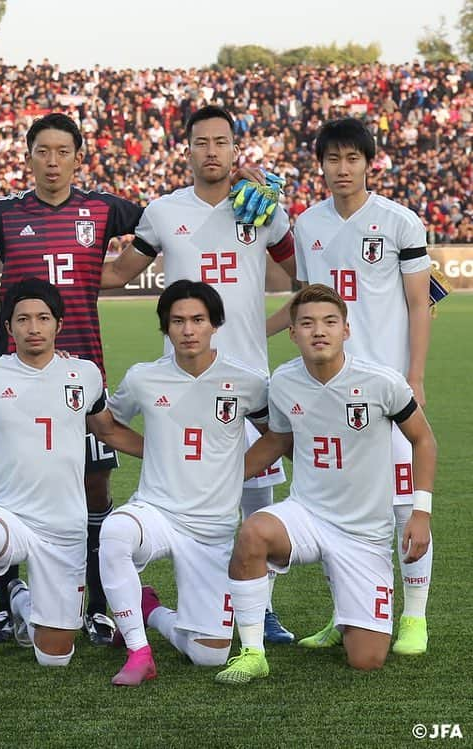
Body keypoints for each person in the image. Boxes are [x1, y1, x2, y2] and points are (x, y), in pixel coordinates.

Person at [100, 105, 299, 643]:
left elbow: (303, 271)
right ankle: (194, 603)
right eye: (201, 142)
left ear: (236, 149)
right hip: (184, 376)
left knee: (257, 489)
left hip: (248, 375)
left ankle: (263, 609)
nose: (211, 151)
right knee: (197, 489)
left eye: (221, 142)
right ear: (186, 150)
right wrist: (49, 264)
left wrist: (281, 213)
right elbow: (119, 272)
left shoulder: (258, 205)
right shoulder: (164, 211)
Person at [0, 279, 144, 693]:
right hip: (7, 512)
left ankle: (17, 598)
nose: (34, 327)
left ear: (58, 325)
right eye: (23, 319)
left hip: (65, 526)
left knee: (55, 656)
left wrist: (165, 453)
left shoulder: (84, 374)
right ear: (9, 328)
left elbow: (109, 432)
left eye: (43, 318)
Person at [215, 284, 436, 684]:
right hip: (308, 514)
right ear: (293, 333)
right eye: (308, 323)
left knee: (366, 660)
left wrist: (420, 511)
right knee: (253, 533)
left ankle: (349, 616)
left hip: (364, 533)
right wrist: (222, 479)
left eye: (330, 322)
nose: (319, 330)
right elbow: (278, 440)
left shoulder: (381, 382)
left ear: (346, 331)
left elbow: (423, 439)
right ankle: (251, 652)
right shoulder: (283, 382)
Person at [291, 117, 434, 655]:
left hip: (389, 387)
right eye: (333, 159)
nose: (343, 169)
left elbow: (421, 304)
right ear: (322, 165)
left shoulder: (400, 221)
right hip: (330, 388)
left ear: (369, 162)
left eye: (353, 158)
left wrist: (415, 376)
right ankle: (346, 613)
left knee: (405, 503)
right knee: (334, 507)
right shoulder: (308, 224)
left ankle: (414, 616)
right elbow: (307, 302)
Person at [99, 280, 269, 686]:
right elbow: (107, 425)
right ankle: (139, 651)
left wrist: (234, 472)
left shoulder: (248, 382)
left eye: (197, 320)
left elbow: (277, 435)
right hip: (156, 511)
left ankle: (149, 610)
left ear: (215, 325)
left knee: (209, 655)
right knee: (115, 532)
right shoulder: (144, 377)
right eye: (177, 321)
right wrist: (159, 451)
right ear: (165, 327)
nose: (188, 330)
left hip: (213, 529)